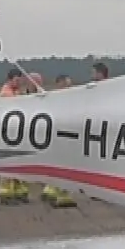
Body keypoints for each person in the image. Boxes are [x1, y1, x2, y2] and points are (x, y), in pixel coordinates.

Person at [0, 69, 32, 204]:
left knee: (17, 162)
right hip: (9, 133)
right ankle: (6, 193)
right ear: (10, 79)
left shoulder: (16, 92)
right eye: (17, 80)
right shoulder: (7, 94)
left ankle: (18, 191)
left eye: (20, 80)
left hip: (16, 133)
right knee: (9, 163)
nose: (19, 82)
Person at [41, 75, 78, 208]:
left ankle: (51, 189)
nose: (70, 87)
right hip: (63, 138)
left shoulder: (55, 99)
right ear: (60, 84)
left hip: (58, 138)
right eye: (67, 84)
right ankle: (63, 195)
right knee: (65, 167)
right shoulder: (64, 100)